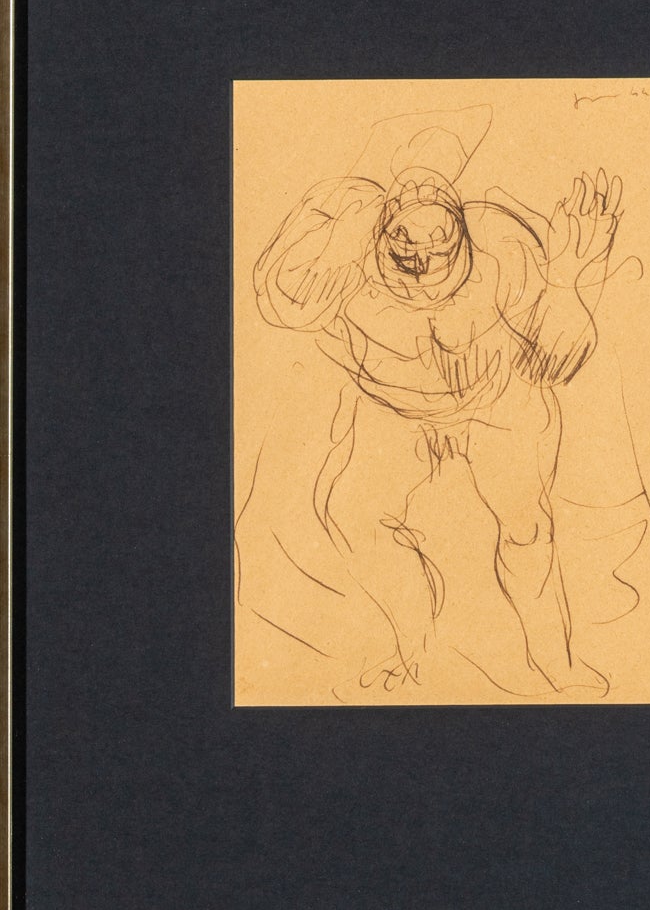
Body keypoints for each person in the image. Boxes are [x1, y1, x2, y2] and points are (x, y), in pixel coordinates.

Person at [253, 125, 622, 698]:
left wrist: (565, 283)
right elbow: (278, 302)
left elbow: (555, 363)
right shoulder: (340, 260)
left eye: (439, 249)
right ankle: (419, 654)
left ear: (463, 236)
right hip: (394, 410)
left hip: (497, 401)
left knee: (527, 528)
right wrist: (334, 228)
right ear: (380, 234)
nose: (423, 266)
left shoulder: (503, 246)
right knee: (352, 515)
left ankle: (557, 662)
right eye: (406, 247)